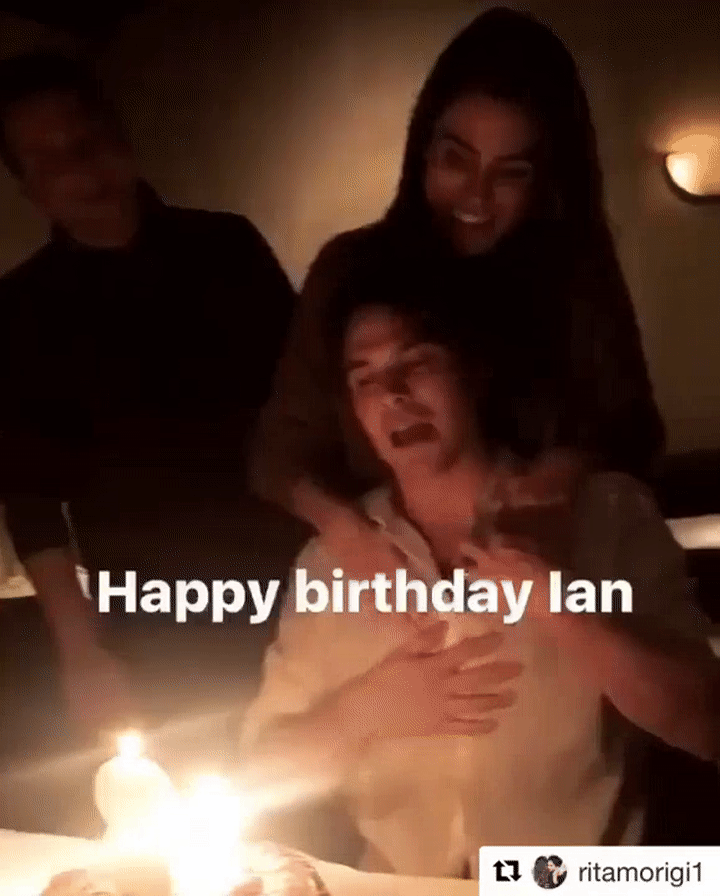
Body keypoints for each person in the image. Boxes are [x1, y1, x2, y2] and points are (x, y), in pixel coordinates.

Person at [239, 262, 717, 878]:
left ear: (473, 371)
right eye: (365, 379)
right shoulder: (332, 563)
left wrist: (557, 606)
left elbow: (705, 722)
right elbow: (257, 772)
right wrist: (363, 712)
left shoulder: (604, 516)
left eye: (416, 363)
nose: (393, 395)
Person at [250, 6, 664, 586]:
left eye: (509, 173)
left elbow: (631, 429)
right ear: (423, 150)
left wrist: (560, 478)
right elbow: (279, 454)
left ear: (546, 180)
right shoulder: (353, 274)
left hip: (549, 584)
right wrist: (345, 531)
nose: (476, 196)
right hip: (389, 586)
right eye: (456, 160)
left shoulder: (569, 280)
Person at [0, 52, 305, 831]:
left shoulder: (227, 248)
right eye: (50, 161)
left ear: (122, 138)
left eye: (88, 141)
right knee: (200, 820)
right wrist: (81, 653)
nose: (81, 169)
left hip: (292, 583)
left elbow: (306, 409)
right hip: (147, 617)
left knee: (317, 801)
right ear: (30, 188)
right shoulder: (22, 309)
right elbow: (31, 500)